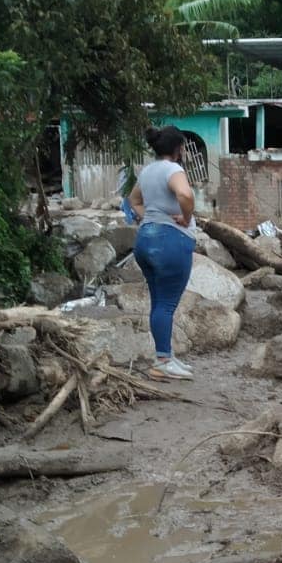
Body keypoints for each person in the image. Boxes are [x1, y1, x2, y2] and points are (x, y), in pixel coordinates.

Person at [126, 125, 197, 380]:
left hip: (145, 241)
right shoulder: (174, 169)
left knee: (159, 303)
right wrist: (186, 218)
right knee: (166, 305)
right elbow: (185, 194)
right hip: (170, 243)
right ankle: (163, 362)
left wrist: (151, 217)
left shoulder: (147, 171)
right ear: (178, 148)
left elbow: (132, 201)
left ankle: (164, 355)